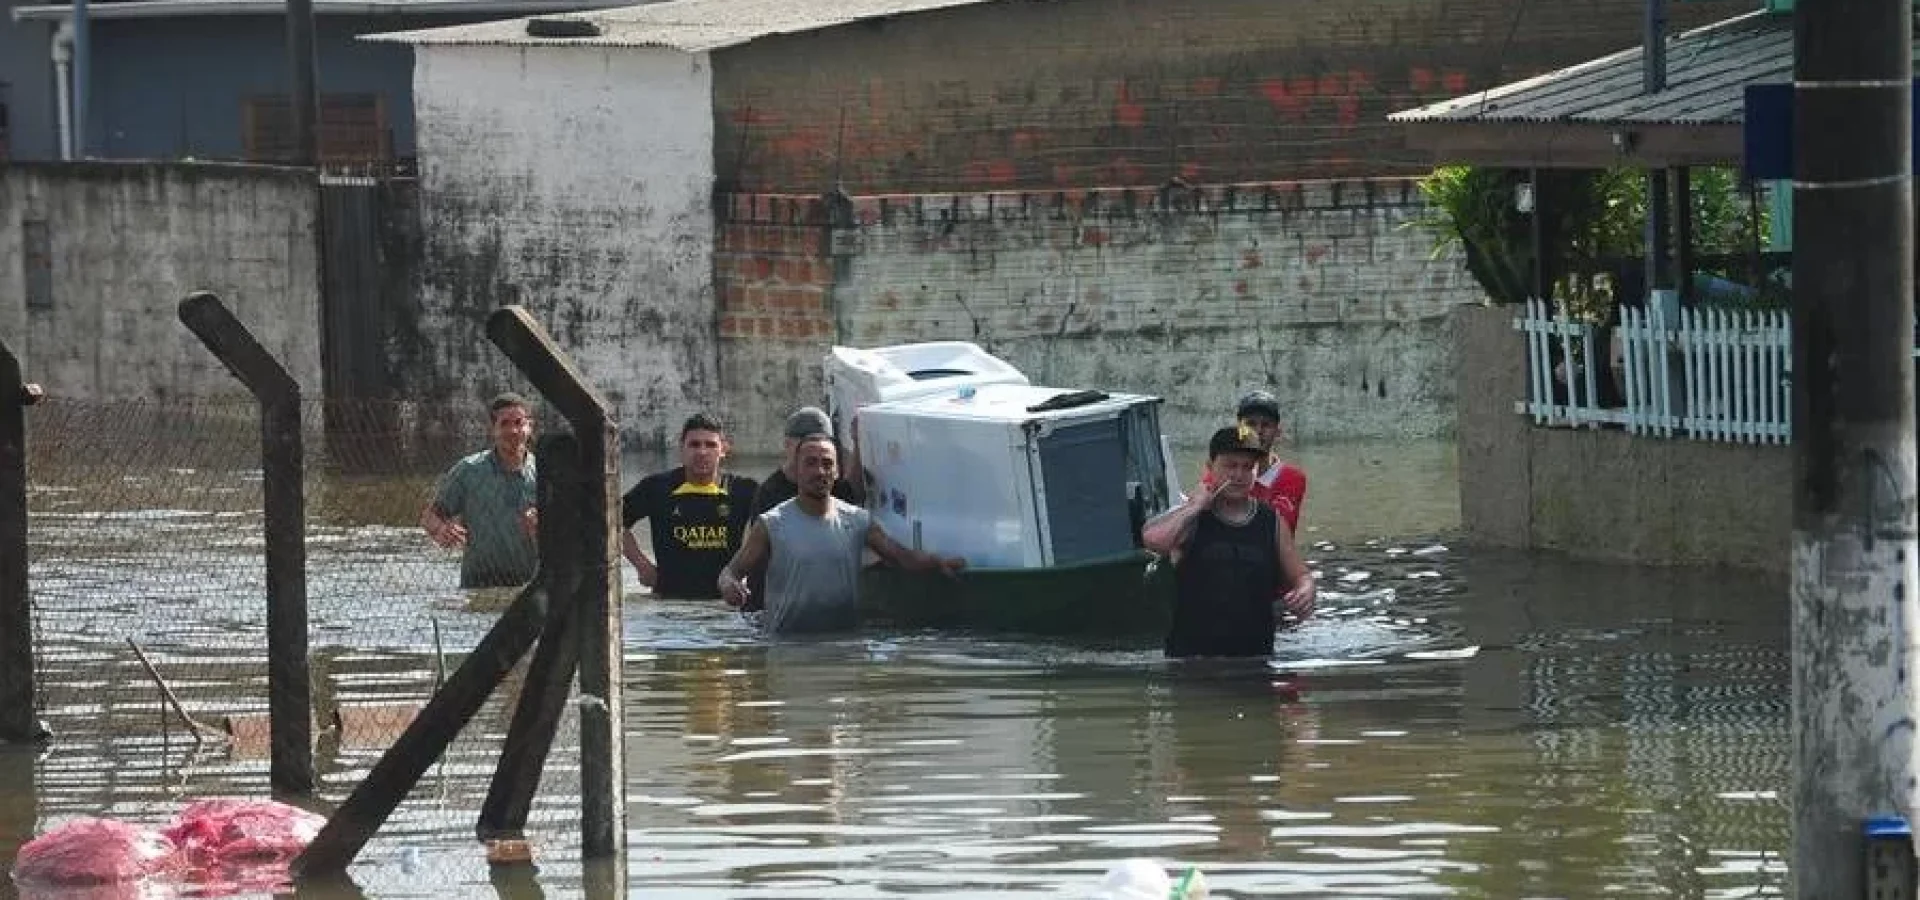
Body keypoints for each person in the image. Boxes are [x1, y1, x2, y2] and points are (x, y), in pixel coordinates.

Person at [719, 433, 964, 635]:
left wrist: (936, 562)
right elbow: (730, 572)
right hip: (787, 646)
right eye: (811, 463)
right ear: (797, 469)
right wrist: (730, 586)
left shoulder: (858, 520)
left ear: (837, 471)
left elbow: (901, 557)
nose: (820, 471)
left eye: (827, 464)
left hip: (844, 647)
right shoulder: (772, 524)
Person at [1144, 424, 1317, 659]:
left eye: (1247, 467)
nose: (1238, 475)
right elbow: (1154, 541)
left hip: (1255, 660)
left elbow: (1301, 576)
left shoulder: (1271, 521)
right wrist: (1194, 508)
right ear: (1210, 467)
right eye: (1230, 465)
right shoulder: (1192, 518)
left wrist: (1306, 591)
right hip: (1193, 662)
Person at [620, 413, 760, 599]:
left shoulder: (744, 490)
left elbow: (775, 531)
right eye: (694, 444)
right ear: (682, 449)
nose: (702, 452)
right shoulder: (656, 487)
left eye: (710, 445)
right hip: (669, 602)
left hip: (723, 604)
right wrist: (641, 564)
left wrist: (747, 573)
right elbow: (611, 522)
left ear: (723, 449)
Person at [421, 392, 539, 589]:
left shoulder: (544, 472)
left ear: (530, 426)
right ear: (492, 429)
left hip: (529, 583)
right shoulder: (469, 470)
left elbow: (568, 532)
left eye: (519, 423)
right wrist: (441, 530)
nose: (513, 430)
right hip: (478, 582)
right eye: (504, 423)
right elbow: (430, 517)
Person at [1201, 390, 1307, 533]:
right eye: (1251, 424)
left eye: (1266, 425)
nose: (1258, 431)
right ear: (1239, 429)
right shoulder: (1220, 469)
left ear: (1277, 432)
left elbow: (1279, 529)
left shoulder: (1293, 478)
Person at [751, 406, 867, 515]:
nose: (815, 451)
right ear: (787, 444)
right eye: (807, 443)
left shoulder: (825, 480)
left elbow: (853, 492)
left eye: (822, 443)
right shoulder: (770, 493)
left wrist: (858, 440)